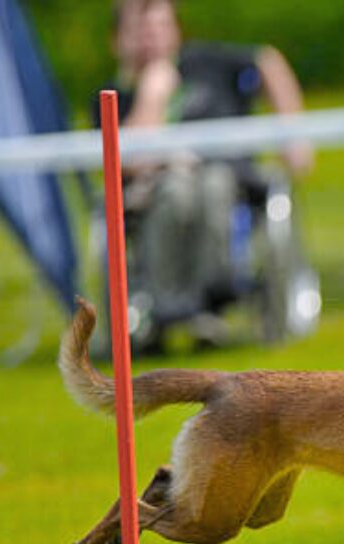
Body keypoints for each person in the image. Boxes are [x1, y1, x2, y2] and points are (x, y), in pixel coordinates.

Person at [96, 0, 312, 350]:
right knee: (177, 191)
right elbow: (131, 164)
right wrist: (154, 93)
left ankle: (214, 299)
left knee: (214, 184)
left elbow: (268, 61)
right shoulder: (113, 95)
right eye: (140, 29)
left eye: (160, 27)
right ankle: (170, 306)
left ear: (177, 30)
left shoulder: (209, 64)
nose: (152, 38)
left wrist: (295, 135)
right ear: (119, 39)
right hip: (156, 196)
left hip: (229, 185)